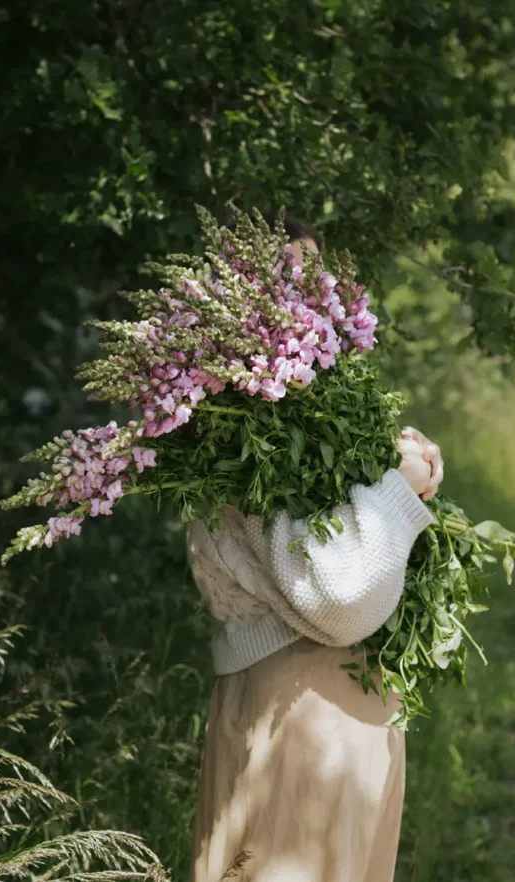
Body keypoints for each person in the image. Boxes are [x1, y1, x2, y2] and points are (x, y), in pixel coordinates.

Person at [187, 215, 444, 882]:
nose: (313, 307)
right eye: (290, 288)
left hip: (331, 703)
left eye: (316, 287)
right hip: (302, 706)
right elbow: (341, 600)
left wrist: (398, 471)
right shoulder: (249, 434)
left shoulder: (297, 417)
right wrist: (397, 494)